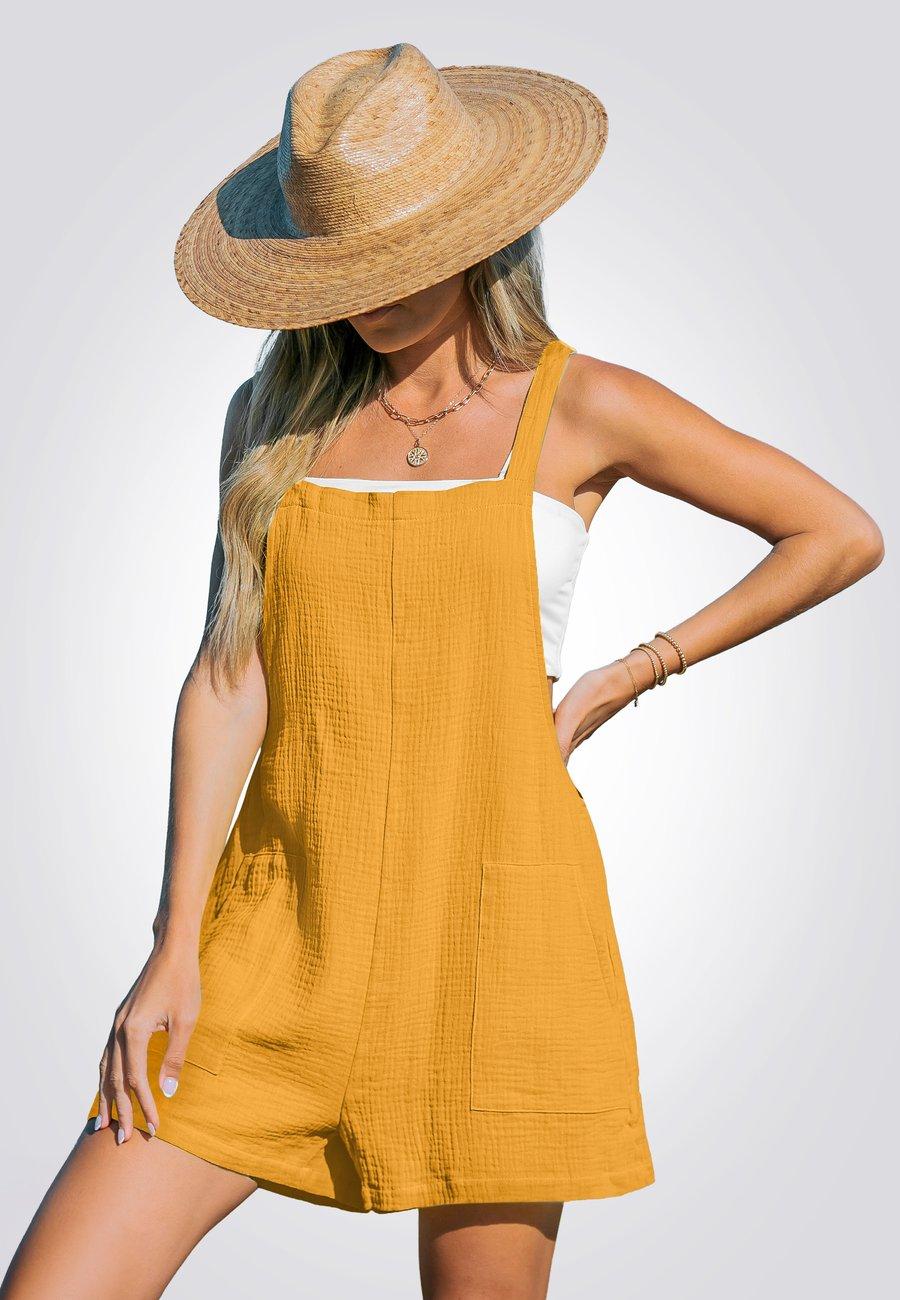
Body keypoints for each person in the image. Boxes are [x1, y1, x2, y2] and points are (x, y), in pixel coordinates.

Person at [1, 41, 884, 1300]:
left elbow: (837, 533)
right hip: (279, 934)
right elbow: (230, 677)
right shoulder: (272, 420)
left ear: (476, 234)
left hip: (495, 933)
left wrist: (627, 674)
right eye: (344, 263)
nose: (370, 295)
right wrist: (172, 943)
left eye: (399, 254)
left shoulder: (584, 405)